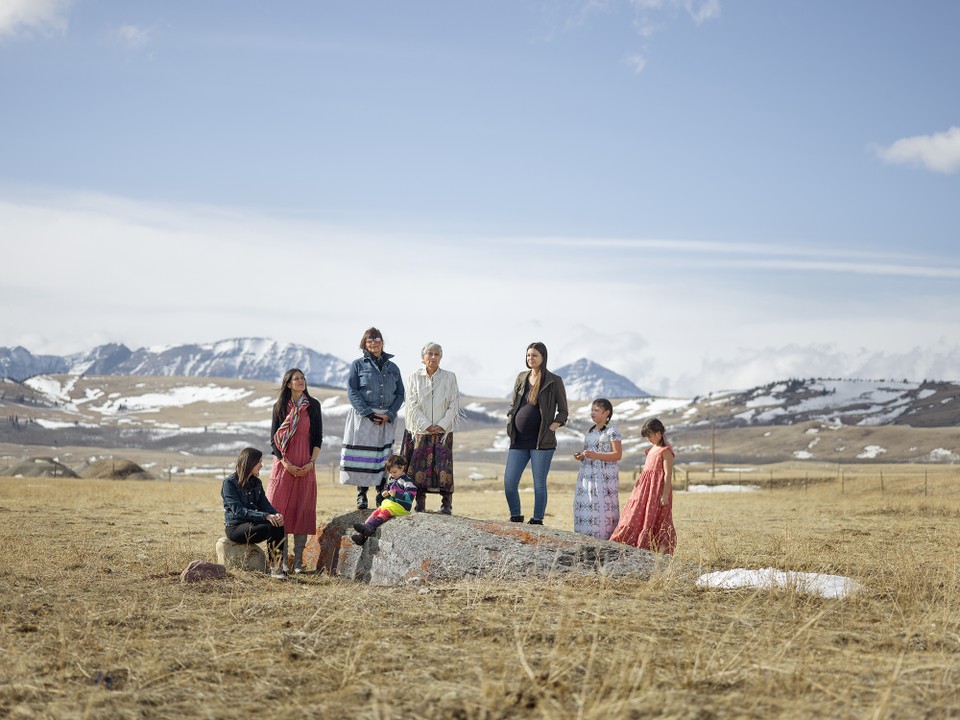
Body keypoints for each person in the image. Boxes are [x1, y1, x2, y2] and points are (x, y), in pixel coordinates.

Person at [503, 341, 568, 525]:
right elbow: (513, 404)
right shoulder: (521, 377)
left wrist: (552, 427)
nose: (530, 358)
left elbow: (563, 411)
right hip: (519, 440)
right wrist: (510, 419)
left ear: (543, 358)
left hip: (542, 441)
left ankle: (537, 519)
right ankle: (515, 516)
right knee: (509, 482)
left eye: (535, 355)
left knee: (539, 483)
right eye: (528, 355)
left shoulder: (554, 381)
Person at [340, 327, 405, 510]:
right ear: (364, 343)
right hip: (365, 416)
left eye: (377, 339)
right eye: (370, 340)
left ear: (382, 342)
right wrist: (368, 413)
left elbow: (400, 394)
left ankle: (381, 494)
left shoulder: (393, 367)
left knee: (384, 456)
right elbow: (352, 391)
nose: (374, 342)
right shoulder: (358, 365)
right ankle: (362, 495)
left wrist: (390, 414)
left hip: (387, 417)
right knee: (364, 456)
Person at [266, 368, 323, 574]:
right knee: (280, 510)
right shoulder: (280, 406)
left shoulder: (313, 405)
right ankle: (282, 562)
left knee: (302, 510)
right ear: (288, 383)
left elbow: (317, 438)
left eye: (303, 378)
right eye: (296, 379)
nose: (301, 381)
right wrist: (285, 464)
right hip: (284, 465)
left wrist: (311, 463)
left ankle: (298, 562)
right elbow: (274, 441)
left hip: (306, 464)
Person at [400, 342, 462, 514]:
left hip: (442, 431)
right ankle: (419, 503)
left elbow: (454, 403)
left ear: (441, 358)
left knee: (444, 466)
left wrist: (441, 425)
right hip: (420, 430)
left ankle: (446, 503)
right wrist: (427, 425)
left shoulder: (450, 377)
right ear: (422, 357)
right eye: (429, 353)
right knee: (418, 466)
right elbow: (411, 404)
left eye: (437, 354)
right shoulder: (414, 377)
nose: (433, 357)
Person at [610, 418, 676, 554]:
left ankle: (652, 548)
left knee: (653, 517)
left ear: (658, 433)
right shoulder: (650, 450)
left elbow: (668, 474)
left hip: (657, 490)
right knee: (636, 513)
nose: (648, 439)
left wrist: (664, 495)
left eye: (650, 436)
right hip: (644, 490)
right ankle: (628, 542)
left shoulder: (665, 451)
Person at [221, 447, 287, 579]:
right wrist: (265, 516)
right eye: (259, 462)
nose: (262, 465)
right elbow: (238, 511)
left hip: (253, 524)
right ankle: (275, 569)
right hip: (236, 528)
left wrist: (275, 514)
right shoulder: (229, 483)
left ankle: (276, 568)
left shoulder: (257, 482)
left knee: (277, 524)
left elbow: (265, 505)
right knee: (270, 525)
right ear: (249, 462)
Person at [573, 398, 623, 540]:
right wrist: (581, 457)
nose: (592, 413)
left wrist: (596, 455)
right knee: (587, 502)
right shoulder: (590, 430)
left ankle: (604, 537)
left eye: (596, 410)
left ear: (606, 412)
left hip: (605, 475)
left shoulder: (612, 431)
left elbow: (617, 455)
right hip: (587, 475)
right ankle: (584, 535)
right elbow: (586, 453)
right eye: (592, 410)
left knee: (603, 505)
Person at [351, 454, 417, 545]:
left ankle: (369, 527)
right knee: (376, 512)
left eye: (394, 472)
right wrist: (384, 492)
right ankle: (362, 535)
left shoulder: (407, 481)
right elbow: (387, 488)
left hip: (401, 507)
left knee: (384, 512)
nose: (392, 474)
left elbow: (411, 496)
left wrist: (397, 494)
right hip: (391, 504)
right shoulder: (392, 479)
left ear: (402, 467)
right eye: (390, 472)